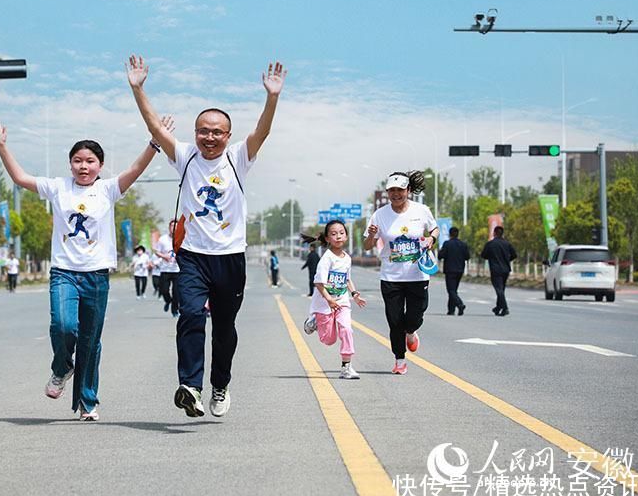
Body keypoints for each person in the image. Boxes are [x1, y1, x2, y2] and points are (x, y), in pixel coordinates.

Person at [127, 53, 287, 418]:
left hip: (230, 257)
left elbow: (262, 132)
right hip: (192, 256)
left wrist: (272, 97)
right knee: (191, 315)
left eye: (217, 132)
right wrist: (138, 89)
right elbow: (156, 129)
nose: (209, 137)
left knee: (225, 327)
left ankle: (220, 384)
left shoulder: (237, 158)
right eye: (203, 131)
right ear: (195, 133)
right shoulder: (184, 157)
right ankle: (190, 386)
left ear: (227, 136)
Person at [0, 114, 170, 421]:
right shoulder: (58, 188)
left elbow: (136, 170)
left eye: (90, 161)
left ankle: (87, 401)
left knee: (90, 340)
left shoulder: (109, 189)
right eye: (77, 161)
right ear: (70, 164)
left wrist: (154, 142)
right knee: (64, 326)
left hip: (97, 275)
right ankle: (62, 368)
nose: (83, 167)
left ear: (100, 165)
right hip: (64, 272)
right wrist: (2, 147)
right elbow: (20, 178)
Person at [363, 171, 439, 376]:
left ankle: (411, 332)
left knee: (414, 317)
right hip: (391, 277)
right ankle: (399, 359)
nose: (396, 194)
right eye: (392, 190)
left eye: (400, 190)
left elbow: (435, 229)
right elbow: (367, 245)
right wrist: (370, 236)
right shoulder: (379, 214)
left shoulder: (421, 210)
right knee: (394, 320)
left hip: (417, 275)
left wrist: (431, 239)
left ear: (409, 191)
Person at [301, 221, 367, 379]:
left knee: (346, 329)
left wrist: (355, 294)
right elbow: (318, 283)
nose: (338, 236)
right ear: (327, 238)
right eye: (334, 233)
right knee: (329, 339)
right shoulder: (326, 259)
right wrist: (329, 300)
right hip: (325, 304)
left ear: (346, 235)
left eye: (341, 233)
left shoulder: (347, 258)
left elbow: (347, 279)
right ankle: (315, 321)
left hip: (342, 302)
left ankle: (346, 367)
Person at [480, 226, 518, 316]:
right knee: (501, 289)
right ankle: (498, 307)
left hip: (495, 269)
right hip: (505, 269)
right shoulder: (507, 244)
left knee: (498, 289)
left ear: (494, 233)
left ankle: (505, 308)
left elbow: (483, 255)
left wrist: (491, 257)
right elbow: (514, 255)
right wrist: (507, 259)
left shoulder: (490, 244)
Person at [438, 227, 470, 315]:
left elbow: (440, 256)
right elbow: (467, 257)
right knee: (453, 290)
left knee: (451, 290)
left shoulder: (447, 244)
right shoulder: (463, 244)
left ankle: (460, 304)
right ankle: (451, 310)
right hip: (460, 270)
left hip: (450, 270)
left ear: (450, 234)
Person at [154, 219, 180, 317]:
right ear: (169, 227)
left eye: (176, 226)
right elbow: (157, 251)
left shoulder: (181, 238)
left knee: (176, 292)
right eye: (172, 226)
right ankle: (168, 301)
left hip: (177, 269)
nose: (174, 228)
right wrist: (164, 256)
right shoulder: (162, 239)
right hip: (165, 269)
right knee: (164, 290)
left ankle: (174, 310)